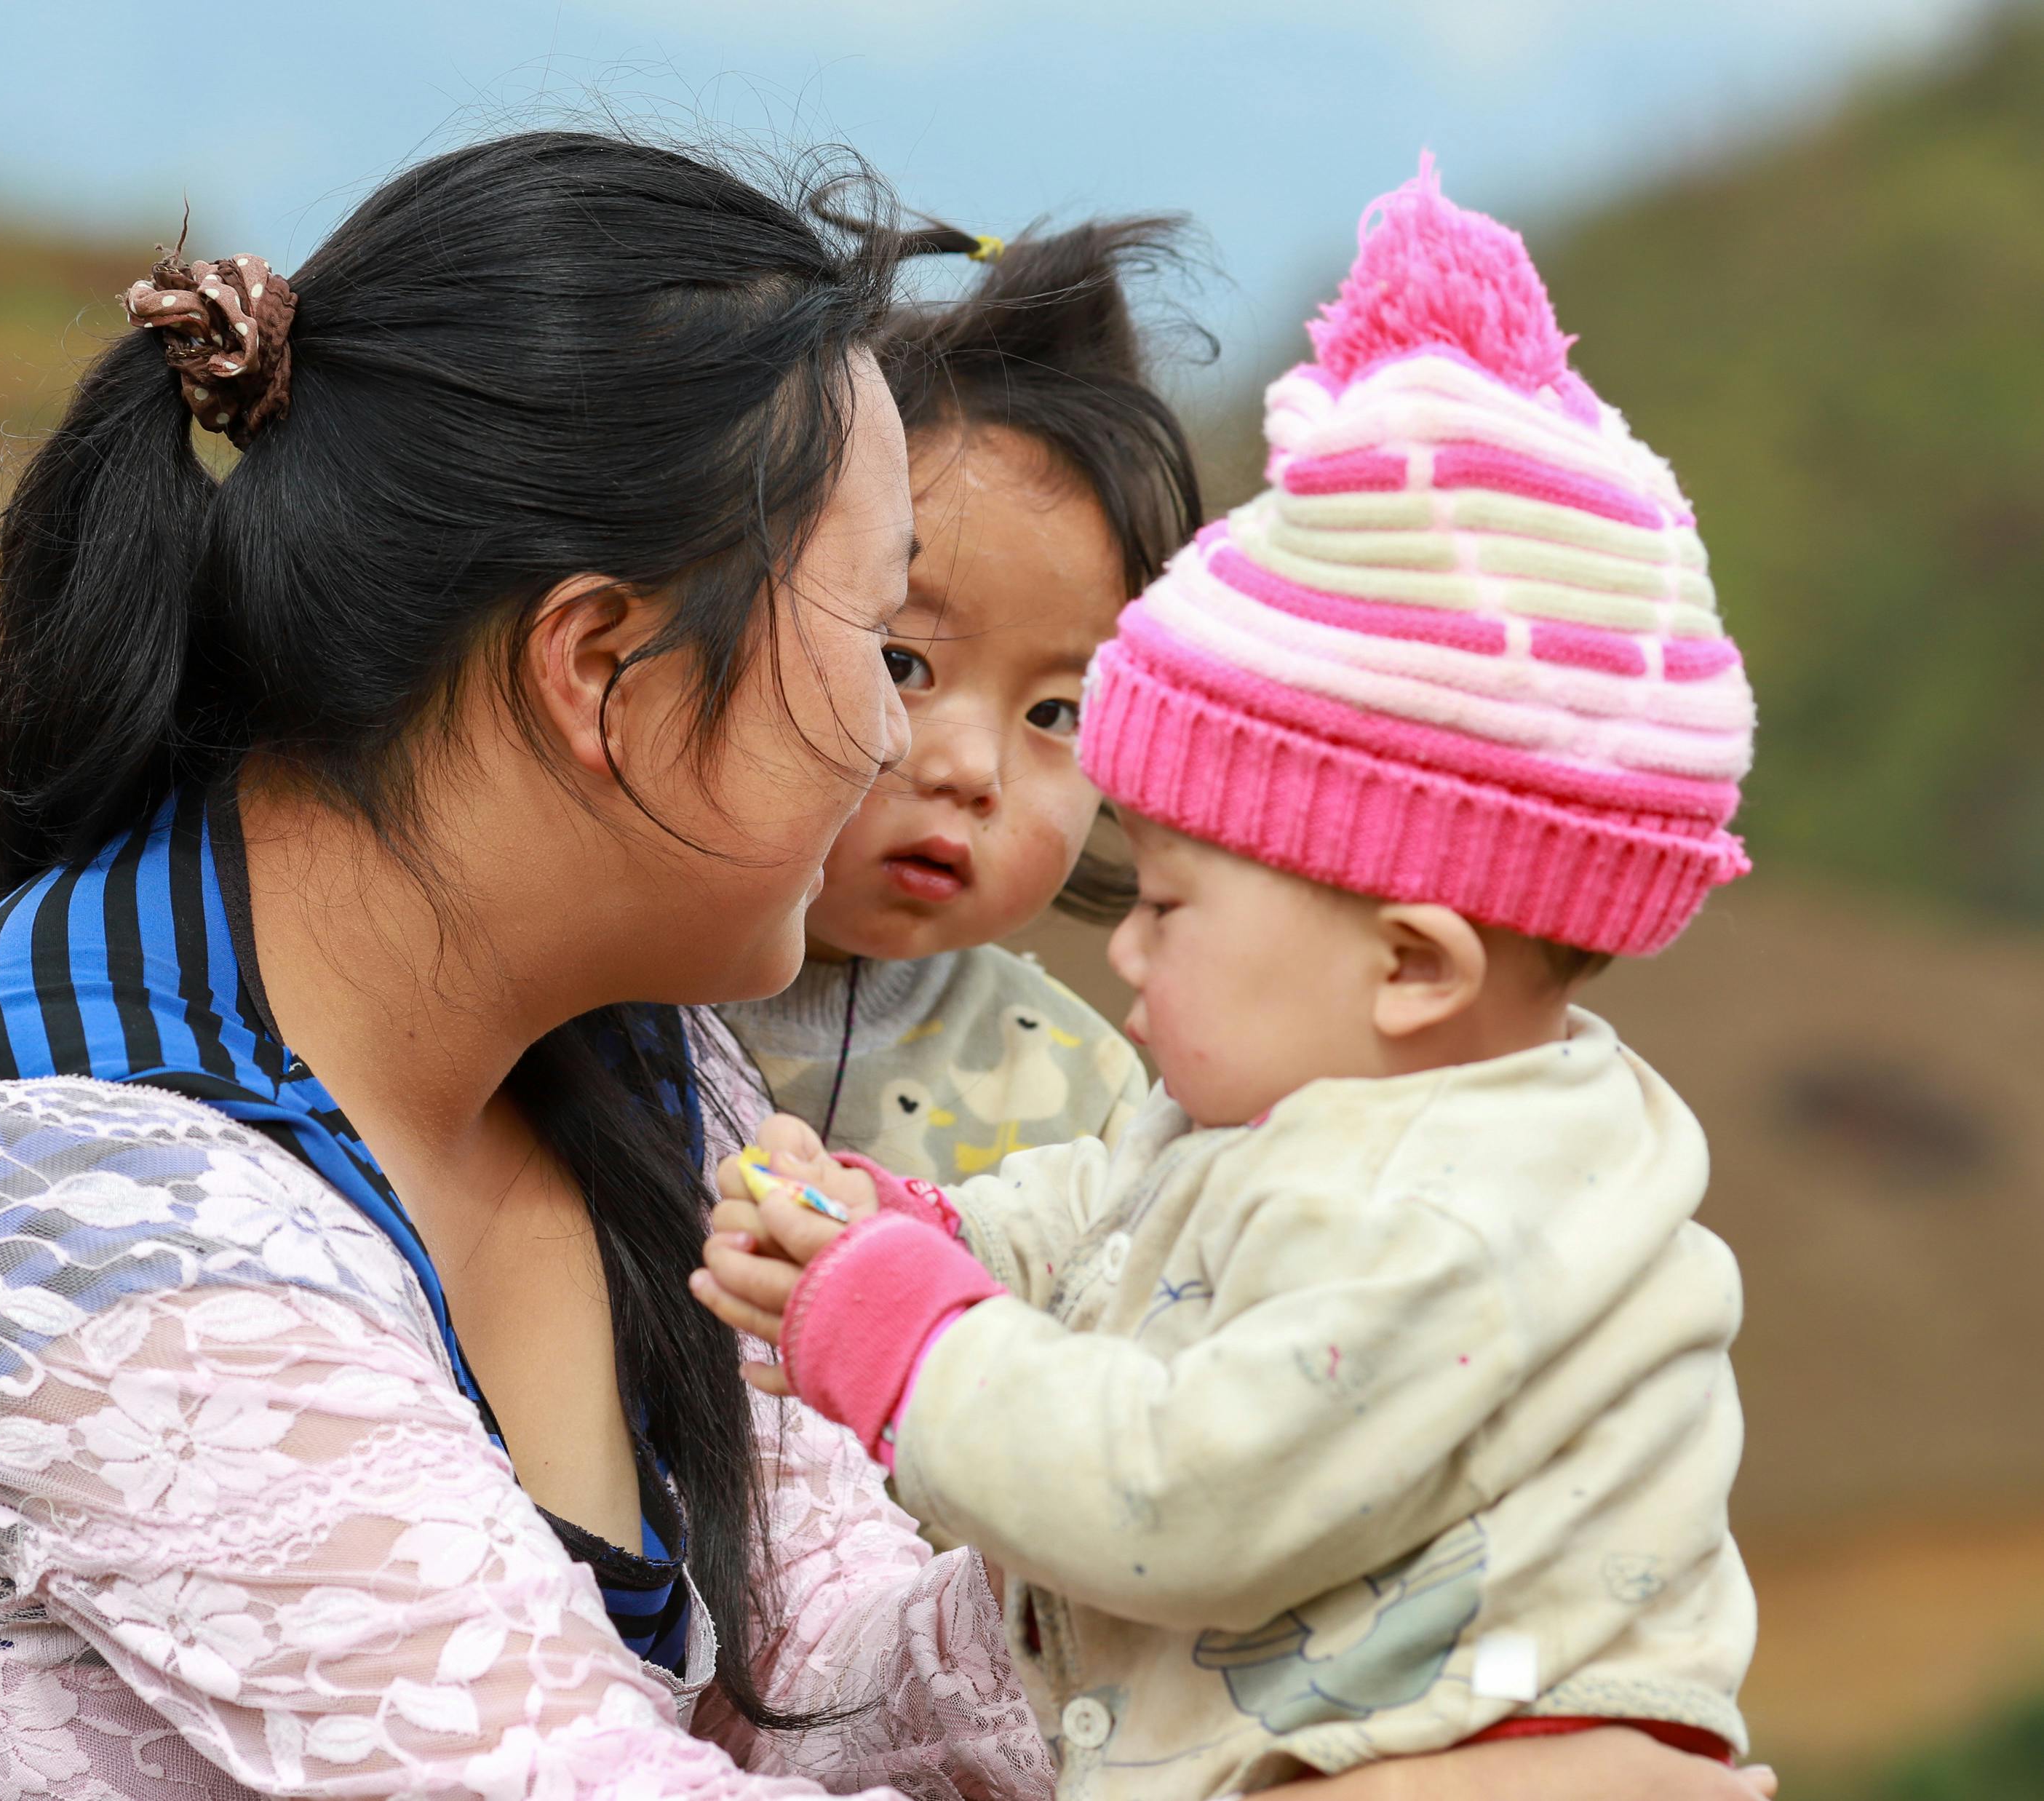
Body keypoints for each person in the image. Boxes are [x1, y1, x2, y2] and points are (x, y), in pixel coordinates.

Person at [0, 127, 1775, 1801]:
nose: (900, 742)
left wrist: (1366, 1631)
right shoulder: (73, 1230)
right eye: (880, 639)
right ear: (600, 668)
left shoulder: (634, 1055)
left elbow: (836, 1663)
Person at [696, 159, 1762, 1795]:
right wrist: (932, 1230)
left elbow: (1174, 1494)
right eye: (901, 659)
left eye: (1173, 906)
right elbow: (1117, 1217)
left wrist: (911, 1335)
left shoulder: (1445, 1220)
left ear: (1410, 964)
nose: (1125, 942)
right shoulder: (1327, 1100)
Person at [720, 220, 1193, 1182]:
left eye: (1057, 713)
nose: (972, 770)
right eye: (901, 663)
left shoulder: (1082, 1095)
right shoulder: (594, 987)